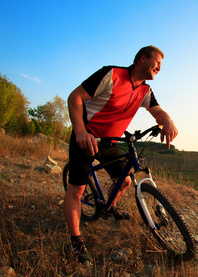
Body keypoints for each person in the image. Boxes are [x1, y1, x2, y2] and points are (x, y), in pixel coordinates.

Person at [63, 45, 178, 263]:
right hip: (87, 137)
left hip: (110, 141)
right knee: (76, 190)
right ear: (143, 59)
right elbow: (75, 97)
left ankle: (110, 208)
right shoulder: (112, 74)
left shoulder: (144, 91)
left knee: (125, 180)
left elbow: (158, 112)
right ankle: (76, 241)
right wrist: (80, 131)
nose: (160, 69)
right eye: (157, 63)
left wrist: (168, 122)